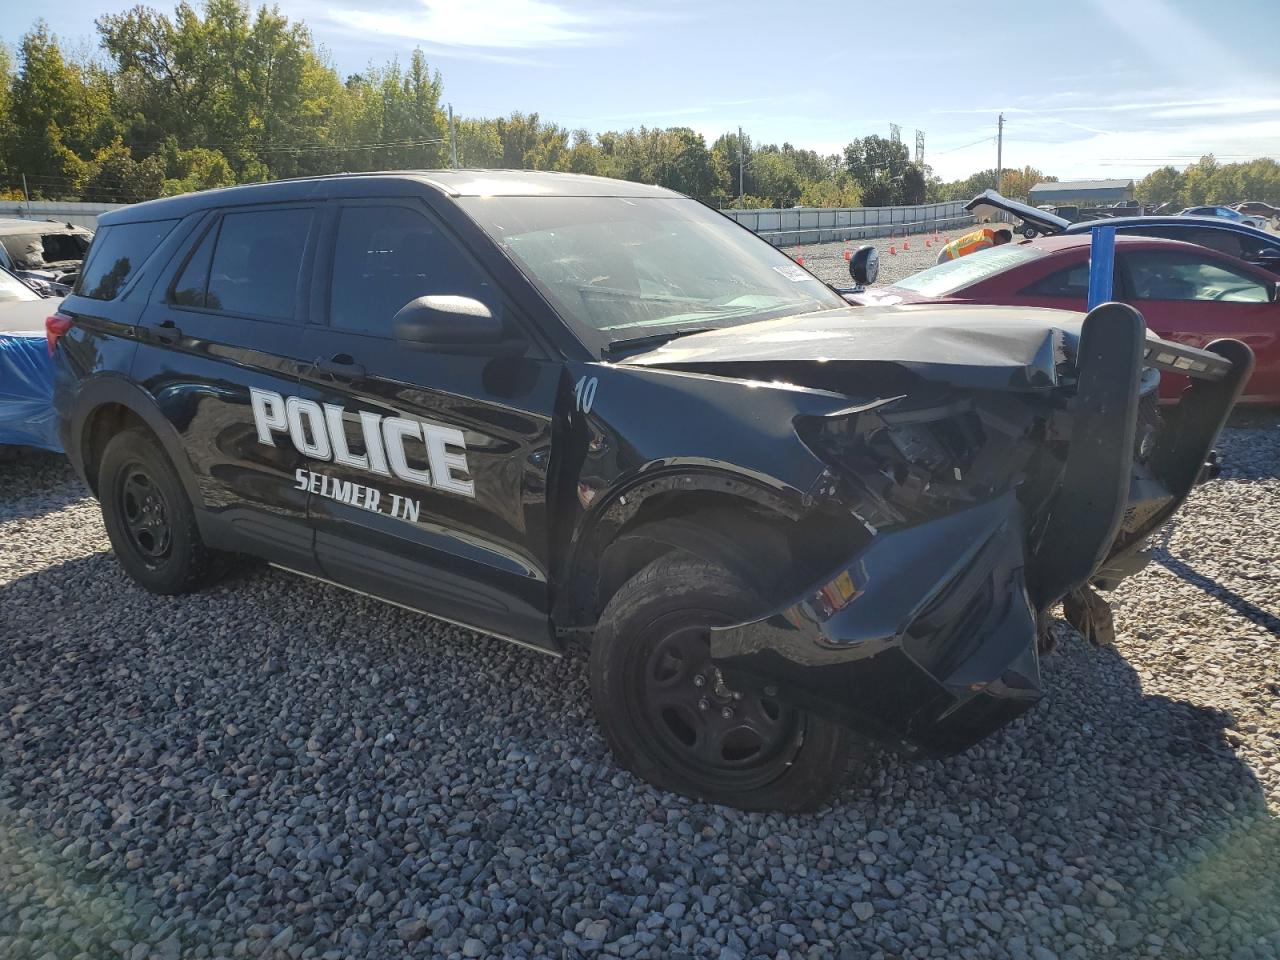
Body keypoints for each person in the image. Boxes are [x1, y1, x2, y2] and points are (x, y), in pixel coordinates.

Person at [936, 224, 1013, 264]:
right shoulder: (986, 243)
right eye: (1002, 243)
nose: (1001, 245)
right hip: (948, 257)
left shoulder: (988, 233)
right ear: (999, 236)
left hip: (948, 250)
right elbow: (979, 262)